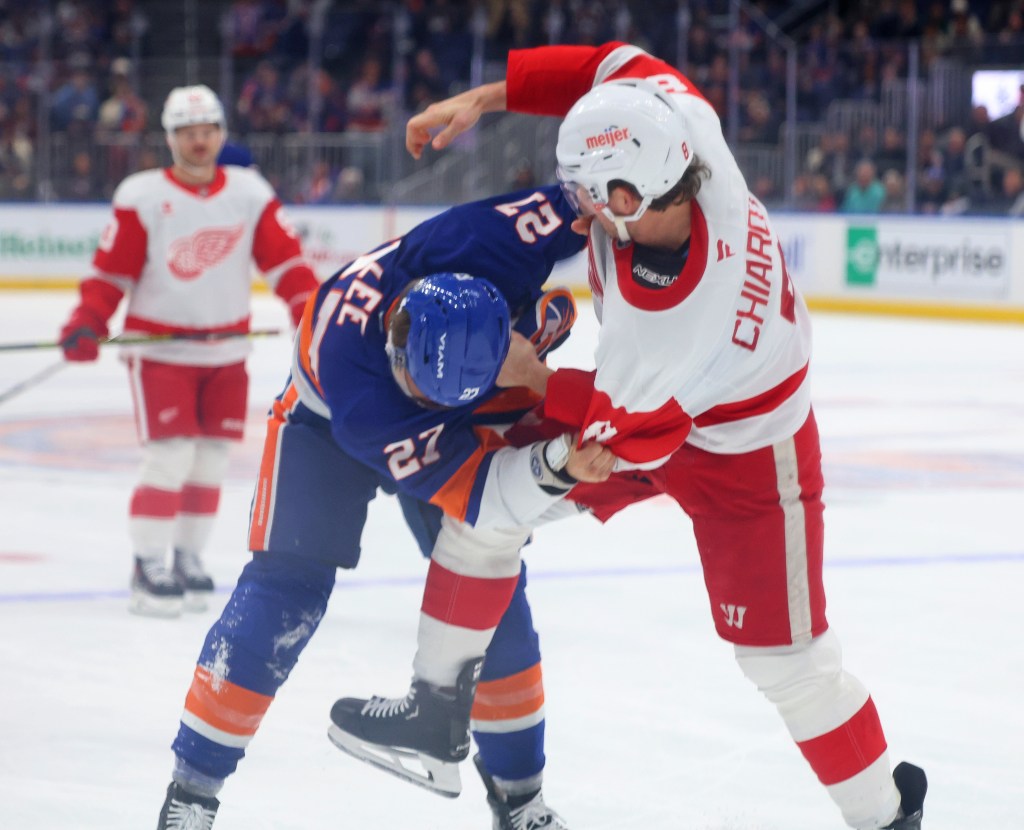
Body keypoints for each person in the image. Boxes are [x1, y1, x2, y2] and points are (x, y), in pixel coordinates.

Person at [331, 41, 928, 830]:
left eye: (587, 192)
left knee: (787, 664)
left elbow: (624, 442)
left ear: (632, 193)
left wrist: (527, 374)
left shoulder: (673, 323)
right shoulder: (683, 125)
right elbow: (613, 61)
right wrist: (485, 96)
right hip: (657, 405)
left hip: (746, 451)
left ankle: (888, 817)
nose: (573, 203)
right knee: (485, 510)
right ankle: (438, 717)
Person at [153, 183, 615, 830]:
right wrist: (556, 460)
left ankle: (522, 801)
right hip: (322, 421)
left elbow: (593, 201)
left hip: (479, 398)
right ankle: (192, 794)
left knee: (494, 595)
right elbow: (485, 498)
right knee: (285, 588)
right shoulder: (369, 403)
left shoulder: (479, 240)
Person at [57, 85, 318, 618]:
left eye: (208, 131)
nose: (199, 142)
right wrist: (88, 319)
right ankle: (148, 562)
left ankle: (189, 556)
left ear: (221, 134)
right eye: (187, 133)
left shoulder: (248, 191)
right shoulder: (142, 195)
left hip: (226, 352)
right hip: (162, 353)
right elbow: (111, 273)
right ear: (170, 137)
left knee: (209, 461)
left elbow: (287, 264)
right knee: (169, 456)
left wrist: (311, 313)